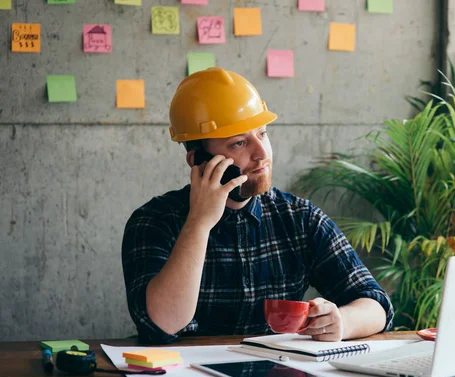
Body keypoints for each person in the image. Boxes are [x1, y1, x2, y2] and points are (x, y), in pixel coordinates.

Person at [121, 67, 394, 345]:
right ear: (198, 160)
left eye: (262, 134)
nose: (262, 153)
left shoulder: (300, 219)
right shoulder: (154, 221)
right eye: (239, 143)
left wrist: (342, 322)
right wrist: (199, 223)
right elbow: (160, 325)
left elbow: (377, 305)